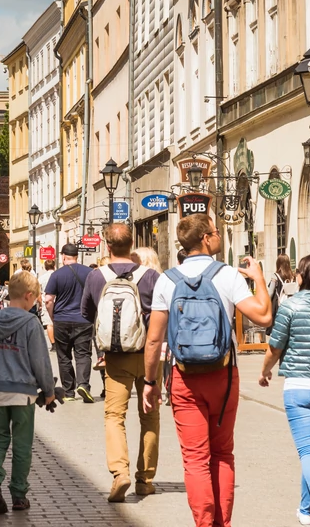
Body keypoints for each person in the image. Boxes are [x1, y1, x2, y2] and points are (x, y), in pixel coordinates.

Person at [142, 213, 273, 527]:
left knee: (195, 459)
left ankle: (204, 523)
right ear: (205, 238)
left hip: (184, 378)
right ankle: (222, 524)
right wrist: (259, 278)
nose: (218, 235)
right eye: (215, 231)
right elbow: (264, 317)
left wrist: (150, 381)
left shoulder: (167, 279)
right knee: (222, 453)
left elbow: (154, 339)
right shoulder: (227, 275)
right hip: (224, 376)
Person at [80, 224, 161, 502]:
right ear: (132, 244)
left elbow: (87, 313)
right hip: (149, 356)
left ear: (107, 245)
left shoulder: (95, 276)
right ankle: (146, 479)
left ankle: (120, 473)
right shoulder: (150, 275)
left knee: (115, 417)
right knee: (149, 416)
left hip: (116, 356)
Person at [259, 254, 310, 527]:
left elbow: (275, 347)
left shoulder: (290, 306)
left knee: (308, 453)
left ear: (304, 275)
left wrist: (264, 371)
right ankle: (305, 510)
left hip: (298, 388)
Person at [0, 270, 55, 514]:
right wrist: (49, 390)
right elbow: (41, 361)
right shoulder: (31, 323)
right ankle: (19, 495)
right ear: (28, 296)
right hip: (23, 392)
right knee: (22, 444)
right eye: (34, 299)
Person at [46, 243, 94, 403]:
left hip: (62, 320)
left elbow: (48, 300)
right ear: (77, 256)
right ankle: (84, 385)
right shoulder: (89, 273)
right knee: (83, 354)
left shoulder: (56, 275)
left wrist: (53, 317)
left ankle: (69, 392)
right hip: (84, 320)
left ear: (63, 256)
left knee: (64, 356)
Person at [37, 258, 56, 342]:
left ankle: (53, 343)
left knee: (49, 324)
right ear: (54, 266)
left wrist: (41, 304)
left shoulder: (41, 278)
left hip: (46, 302)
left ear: (45, 267)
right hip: (59, 301)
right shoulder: (58, 275)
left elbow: (38, 294)